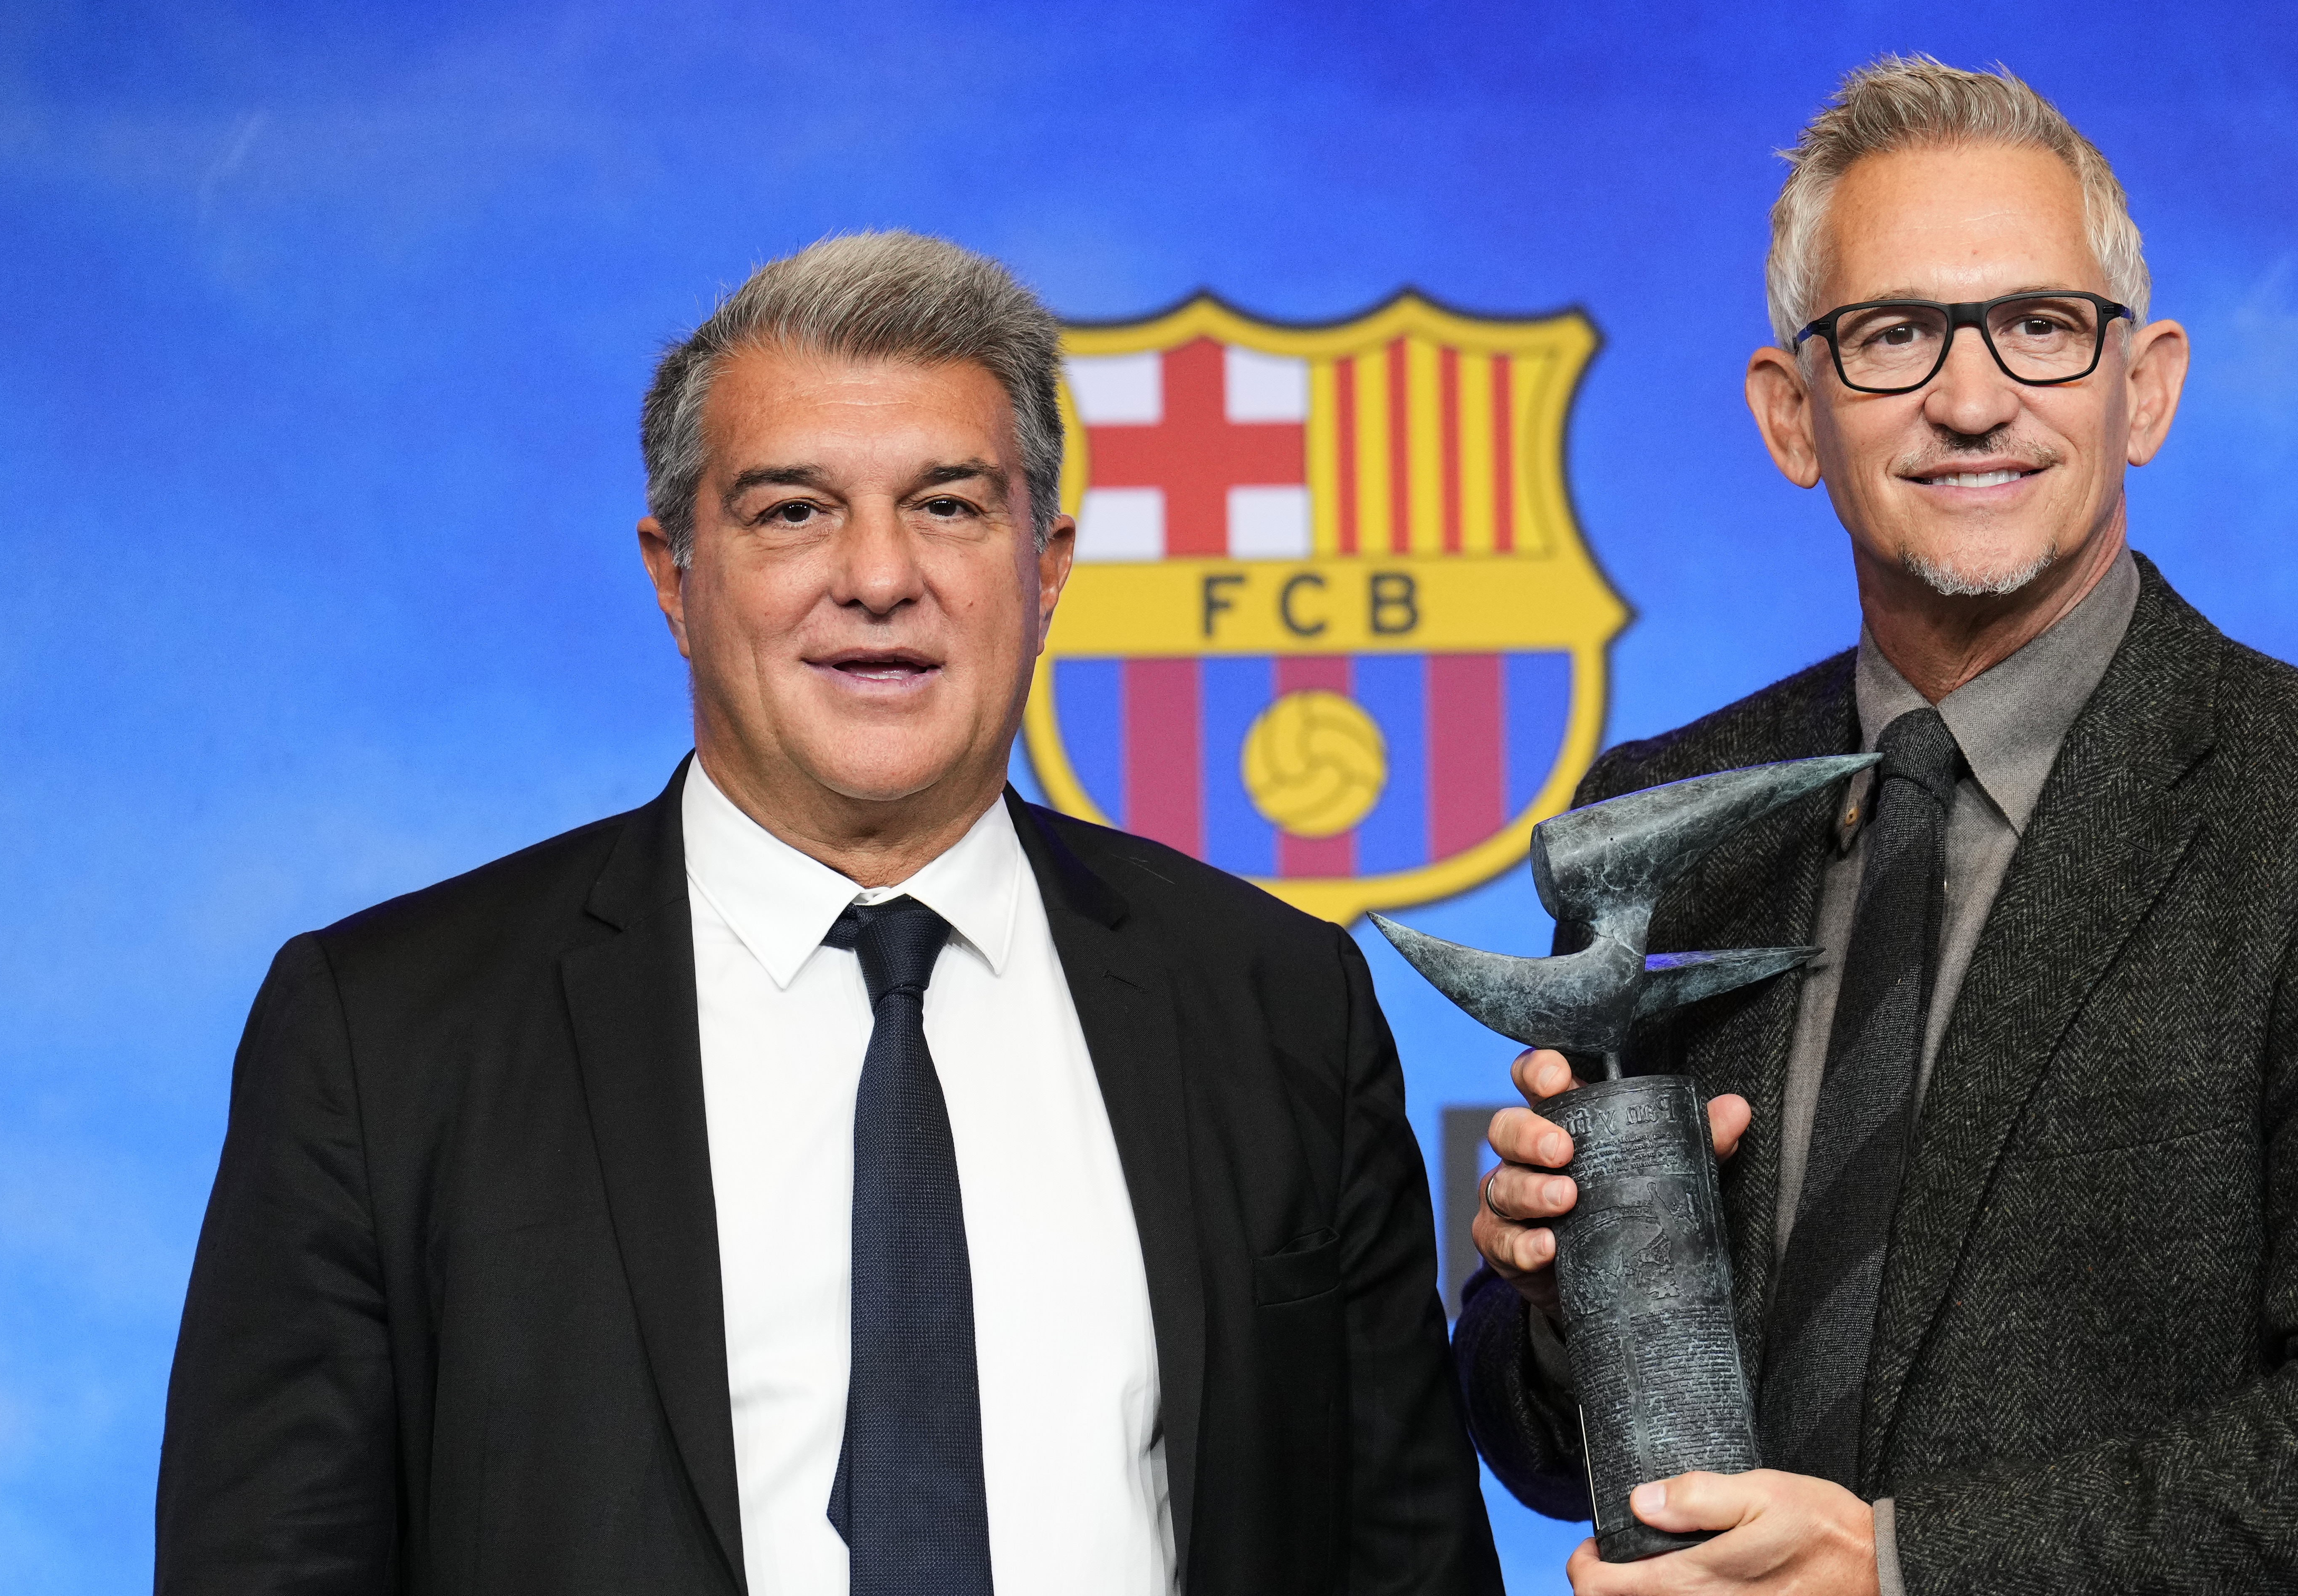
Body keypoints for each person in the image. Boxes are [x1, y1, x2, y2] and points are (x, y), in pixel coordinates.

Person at [156, 232, 1500, 1596]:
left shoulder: (1278, 1002)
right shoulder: (384, 1033)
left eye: (950, 507)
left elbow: (1405, 1562)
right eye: (793, 510)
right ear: (675, 576)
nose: (876, 577)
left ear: (1046, 571)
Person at [1455, 56, 2298, 1596]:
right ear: (1793, 414)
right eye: (1893, 336)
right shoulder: (1659, 813)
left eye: (2040, 328)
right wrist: (1566, 1296)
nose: (1971, 401)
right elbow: (1526, 1435)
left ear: (2146, 386)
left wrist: (1908, 1567)